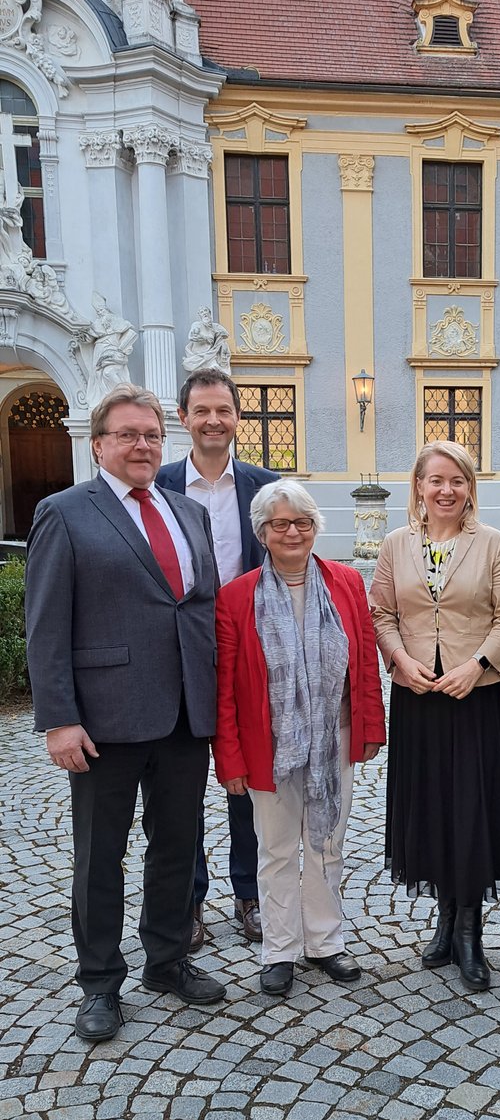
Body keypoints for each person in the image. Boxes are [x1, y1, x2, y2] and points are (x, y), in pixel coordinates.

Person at [25, 383, 226, 1043]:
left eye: (151, 434)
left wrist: (215, 700)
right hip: (104, 718)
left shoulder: (185, 511)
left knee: (176, 846)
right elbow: (46, 624)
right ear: (98, 443)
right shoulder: (64, 511)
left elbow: (197, 611)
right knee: (99, 855)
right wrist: (59, 717)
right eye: (129, 434)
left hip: (181, 715)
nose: (143, 444)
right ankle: (100, 981)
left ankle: (167, 959)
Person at [212, 479, 385, 996]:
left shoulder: (347, 584)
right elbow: (225, 688)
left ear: (315, 528)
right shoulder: (235, 597)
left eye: (303, 522)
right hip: (270, 747)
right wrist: (231, 760)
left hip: (335, 737)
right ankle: (280, 950)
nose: (293, 532)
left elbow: (365, 662)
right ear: (262, 533)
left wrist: (372, 726)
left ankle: (326, 942)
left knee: (328, 844)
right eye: (280, 524)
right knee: (277, 850)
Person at [369, 440, 500, 991]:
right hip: (417, 694)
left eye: (456, 481)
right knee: (430, 805)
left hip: (473, 698)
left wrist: (478, 666)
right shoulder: (395, 545)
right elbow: (381, 612)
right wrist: (400, 660)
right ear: (418, 487)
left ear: (469, 488)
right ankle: (442, 916)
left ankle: (469, 930)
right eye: (435, 480)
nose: (446, 490)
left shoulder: (493, 546)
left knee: (471, 808)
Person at [157, 367, 278, 948]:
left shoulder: (264, 485)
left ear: (237, 417)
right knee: (180, 787)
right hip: (175, 657)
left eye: (222, 411)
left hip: (248, 652)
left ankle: (250, 894)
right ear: (183, 418)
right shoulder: (155, 485)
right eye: (200, 411)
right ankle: (191, 899)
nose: (212, 421)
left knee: (248, 779)